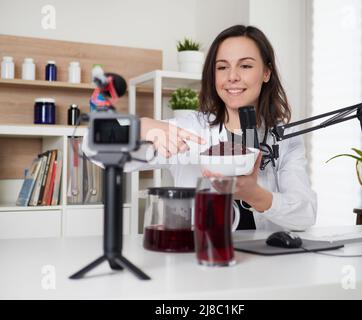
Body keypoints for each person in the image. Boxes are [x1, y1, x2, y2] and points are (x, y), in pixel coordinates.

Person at [85, 25, 317, 231]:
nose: (232, 77)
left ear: (266, 73)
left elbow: (305, 215)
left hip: (266, 267)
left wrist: (254, 195)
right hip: (201, 264)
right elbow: (93, 149)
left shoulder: (285, 139)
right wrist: (141, 127)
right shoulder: (191, 130)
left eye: (245, 66)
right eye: (222, 67)